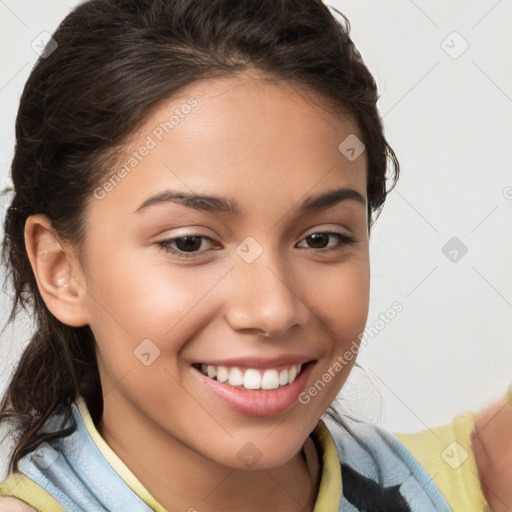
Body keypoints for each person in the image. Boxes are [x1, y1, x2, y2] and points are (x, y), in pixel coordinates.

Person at [0, 0, 510, 510]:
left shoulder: (481, 481)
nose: (273, 309)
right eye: (189, 242)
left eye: (321, 238)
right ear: (61, 270)